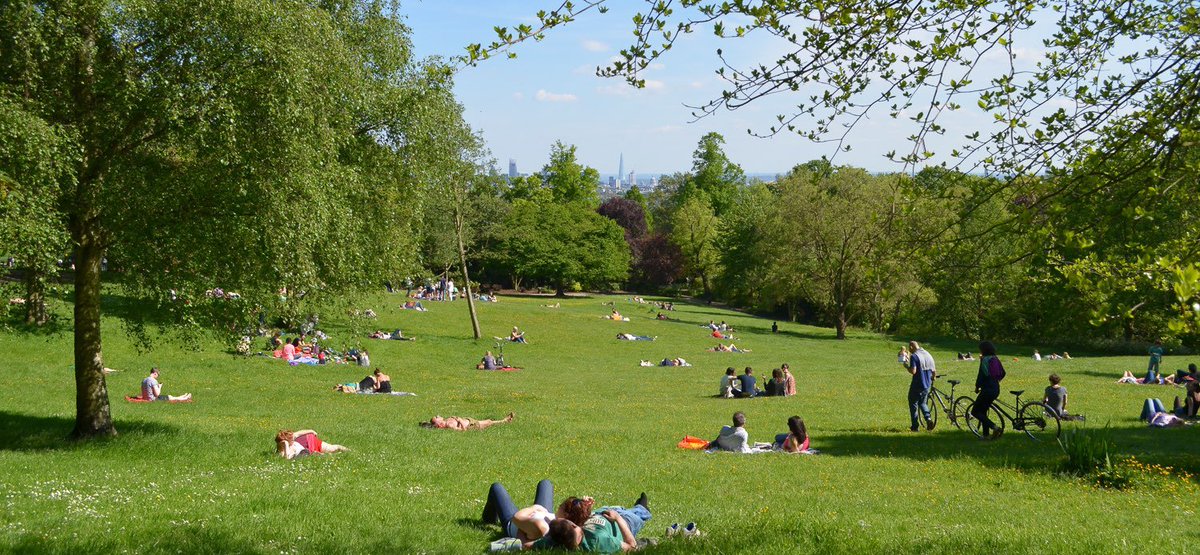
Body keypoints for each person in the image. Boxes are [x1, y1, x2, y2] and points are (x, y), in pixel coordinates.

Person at [532, 494, 652, 552]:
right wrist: (618, 518)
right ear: (574, 525)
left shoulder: (559, 538)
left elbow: (528, 545)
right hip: (624, 523)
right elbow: (632, 546)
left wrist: (584, 506)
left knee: (619, 509)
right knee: (639, 513)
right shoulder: (600, 540)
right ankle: (642, 507)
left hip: (601, 511)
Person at [482, 479, 556, 543]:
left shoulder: (541, 527)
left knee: (496, 488)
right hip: (543, 514)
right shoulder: (562, 525)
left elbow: (517, 517)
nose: (559, 507)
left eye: (562, 506)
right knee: (546, 483)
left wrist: (534, 508)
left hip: (514, 523)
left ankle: (489, 519)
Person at [973, 341, 1006, 439]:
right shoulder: (995, 358)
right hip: (995, 388)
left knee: (975, 412)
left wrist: (977, 387)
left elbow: (981, 375)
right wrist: (995, 381)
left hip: (987, 389)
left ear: (983, 350)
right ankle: (986, 435)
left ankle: (995, 427)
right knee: (983, 412)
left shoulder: (985, 360)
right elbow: (1003, 373)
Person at [904, 341, 936, 431]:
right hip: (927, 384)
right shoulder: (927, 353)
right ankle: (928, 419)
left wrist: (906, 366)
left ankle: (915, 426)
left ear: (911, 347)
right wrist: (933, 378)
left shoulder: (914, 356)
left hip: (917, 383)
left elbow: (913, 371)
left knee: (913, 403)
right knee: (923, 403)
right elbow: (934, 370)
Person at [275, 429, 349, 459]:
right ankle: (343, 455)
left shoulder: (292, 439)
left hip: (310, 447)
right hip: (309, 453)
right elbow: (286, 459)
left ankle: (350, 452)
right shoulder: (282, 450)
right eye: (291, 438)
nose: (293, 438)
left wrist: (311, 431)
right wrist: (286, 445)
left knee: (335, 447)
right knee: (328, 455)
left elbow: (298, 433)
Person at [420, 413, 514, 430]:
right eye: (437, 417)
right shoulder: (448, 425)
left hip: (470, 421)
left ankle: (505, 420)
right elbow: (463, 430)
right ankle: (505, 420)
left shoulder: (446, 421)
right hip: (471, 425)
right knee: (489, 422)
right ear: (439, 424)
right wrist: (460, 420)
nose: (438, 416)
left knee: (489, 422)